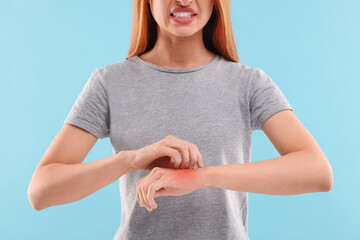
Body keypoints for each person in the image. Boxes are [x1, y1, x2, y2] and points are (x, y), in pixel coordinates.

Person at [28, 0, 334, 239]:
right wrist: (131, 159)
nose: (184, 1)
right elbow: (41, 191)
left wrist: (200, 176)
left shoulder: (249, 83)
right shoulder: (109, 83)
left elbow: (318, 171)